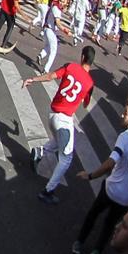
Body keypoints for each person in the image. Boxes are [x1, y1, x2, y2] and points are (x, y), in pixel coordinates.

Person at [73, 102, 128, 254]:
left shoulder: (124, 137)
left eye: (125, 114)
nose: (121, 116)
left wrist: (91, 175)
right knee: (110, 224)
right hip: (126, 197)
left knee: (93, 214)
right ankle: (96, 251)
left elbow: (110, 163)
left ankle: (79, 242)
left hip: (111, 188)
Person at [25, 45, 96, 205]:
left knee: (59, 142)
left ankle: (39, 151)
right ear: (91, 61)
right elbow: (85, 104)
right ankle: (48, 190)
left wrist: (33, 79)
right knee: (66, 158)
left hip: (52, 113)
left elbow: (51, 76)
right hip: (64, 120)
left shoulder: (70, 67)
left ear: (83, 57)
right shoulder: (90, 83)